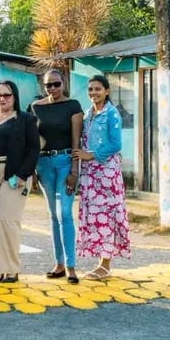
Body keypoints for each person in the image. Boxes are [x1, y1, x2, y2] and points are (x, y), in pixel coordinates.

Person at [72, 74, 129, 280]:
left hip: (106, 173)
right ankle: (100, 262)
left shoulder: (111, 113)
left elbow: (116, 144)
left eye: (98, 89)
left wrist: (91, 155)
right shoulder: (89, 114)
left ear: (107, 91)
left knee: (107, 216)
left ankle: (105, 265)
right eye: (90, 89)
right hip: (90, 174)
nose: (94, 93)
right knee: (94, 216)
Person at [29, 69, 84, 284]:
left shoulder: (73, 106)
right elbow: (32, 141)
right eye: (48, 85)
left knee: (65, 213)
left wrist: (74, 171)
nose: (52, 88)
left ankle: (71, 266)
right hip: (43, 164)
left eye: (56, 84)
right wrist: (32, 170)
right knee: (53, 215)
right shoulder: (35, 107)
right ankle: (59, 264)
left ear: (64, 83)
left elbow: (76, 142)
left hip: (65, 162)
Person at [0, 81, 39, 283]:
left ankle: (12, 269)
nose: (2, 99)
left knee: (7, 220)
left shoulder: (25, 120)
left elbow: (34, 149)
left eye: (7, 95)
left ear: (14, 97)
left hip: (14, 174)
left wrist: (23, 174)